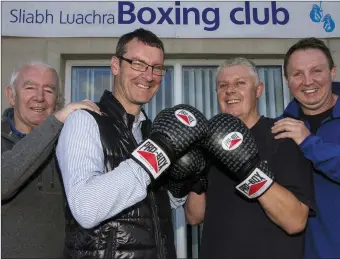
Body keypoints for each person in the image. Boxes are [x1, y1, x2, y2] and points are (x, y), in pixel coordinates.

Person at [56, 28, 208, 259]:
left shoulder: (151, 131)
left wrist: (182, 183)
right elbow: (85, 207)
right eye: (138, 63)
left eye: (156, 68)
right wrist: (157, 152)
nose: (148, 75)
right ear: (116, 65)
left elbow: (152, 208)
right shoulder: (84, 121)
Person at [184, 57, 316, 259]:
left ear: (258, 90)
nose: (230, 91)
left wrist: (248, 169)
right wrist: (196, 177)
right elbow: (194, 217)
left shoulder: (283, 137)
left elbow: (295, 222)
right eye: (223, 85)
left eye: (240, 83)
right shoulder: (206, 144)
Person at [1, 61, 101, 258]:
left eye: (48, 90)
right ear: (11, 95)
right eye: (29, 87)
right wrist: (55, 122)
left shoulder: (69, 143)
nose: (39, 97)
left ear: (57, 99)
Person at [272, 37, 340, 258]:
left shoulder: (298, 135)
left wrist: (308, 142)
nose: (308, 81)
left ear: (333, 72)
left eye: (316, 70)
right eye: (297, 74)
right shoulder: (278, 130)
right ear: (287, 80)